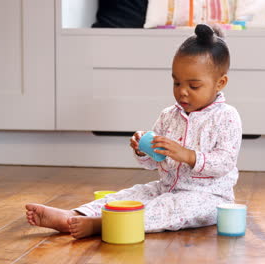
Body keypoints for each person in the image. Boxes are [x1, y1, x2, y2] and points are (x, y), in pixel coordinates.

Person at [25, 23, 242, 239]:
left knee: (170, 208)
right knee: (131, 194)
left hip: (207, 197)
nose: (182, 92)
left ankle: (103, 224)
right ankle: (74, 215)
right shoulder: (169, 115)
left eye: (193, 86)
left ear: (220, 83)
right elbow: (153, 162)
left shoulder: (226, 117)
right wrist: (143, 150)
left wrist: (188, 155)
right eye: (176, 83)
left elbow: (225, 162)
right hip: (165, 187)